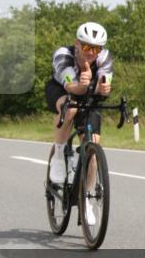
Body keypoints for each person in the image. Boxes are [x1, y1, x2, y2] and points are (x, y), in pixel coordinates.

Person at [44, 22, 113, 192]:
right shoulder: (63, 55)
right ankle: (58, 156)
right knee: (70, 108)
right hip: (62, 90)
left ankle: (87, 194)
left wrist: (103, 87)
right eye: (87, 47)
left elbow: (104, 81)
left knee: (92, 145)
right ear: (77, 43)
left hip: (88, 92)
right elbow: (71, 86)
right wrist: (83, 84)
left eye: (96, 48)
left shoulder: (104, 57)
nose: (91, 52)